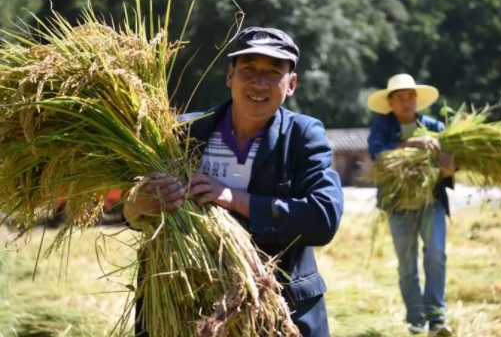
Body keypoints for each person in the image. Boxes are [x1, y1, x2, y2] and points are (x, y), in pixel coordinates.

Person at [123, 26, 344, 337]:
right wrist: (138, 204)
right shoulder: (184, 133)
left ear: (291, 84)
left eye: (272, 72)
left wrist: (233, 197)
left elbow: (324, 218)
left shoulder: (302, 135)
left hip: (278, 309)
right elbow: (132, 214)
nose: (258, 82)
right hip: (189, 307)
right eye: (248, 69)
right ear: (230, 76)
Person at [367, 74, 455, 337]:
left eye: (410, 96)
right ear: (390, 102)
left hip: (432, 202)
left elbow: (451, 166)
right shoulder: (382, 127)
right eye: (400, 97)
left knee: (436, 254)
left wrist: (450, 169)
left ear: (417, 100)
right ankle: (416, 324)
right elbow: (378, 155)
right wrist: (411, 143)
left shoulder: (435, 126)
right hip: (399, 206)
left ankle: (437, 320)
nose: (406, 102)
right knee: (407, 266)